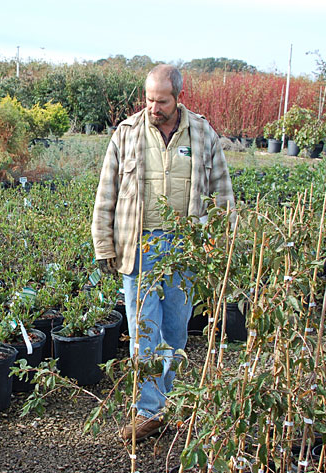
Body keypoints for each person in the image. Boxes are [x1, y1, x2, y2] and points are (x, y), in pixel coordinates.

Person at [91, 64, 234, 441]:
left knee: (174, 332)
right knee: (143, 333)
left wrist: (222, 247)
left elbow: (222, 194)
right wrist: (104, 246)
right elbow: (106, 194)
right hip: (140, 246)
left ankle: (167, 403)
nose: (153, 107)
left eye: (162, 101)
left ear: (178, 98)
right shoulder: (126, 134)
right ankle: (148, 411)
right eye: (149, 100)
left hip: (185, 249)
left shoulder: (203, 134)